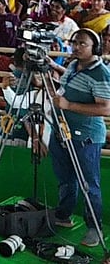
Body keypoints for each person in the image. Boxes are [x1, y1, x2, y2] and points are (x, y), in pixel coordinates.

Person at [49, 28, 110, 247]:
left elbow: (105, 109)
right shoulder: (73, 65)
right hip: (61, 131)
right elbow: (65, 89)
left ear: (95, 47)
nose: (76, 46)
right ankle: (63, 215)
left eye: (82, 43)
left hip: (86, 137)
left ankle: (95, 228)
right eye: (74, 42)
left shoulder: (101, 73)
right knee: (66, 179)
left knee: (88, 184)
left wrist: (69, 106)